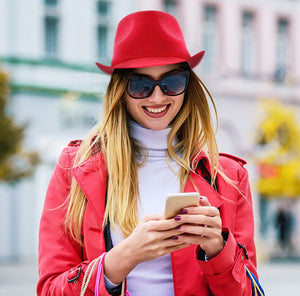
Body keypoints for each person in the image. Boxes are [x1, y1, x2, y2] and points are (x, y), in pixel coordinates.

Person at [37, 10, 262, 296]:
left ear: (188, 86)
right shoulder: (76, 167)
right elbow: (50, 289)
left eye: (172, 82)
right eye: (140, 85)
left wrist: (218, 248)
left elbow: (250, 292)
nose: (157, 97)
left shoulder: (229, 177)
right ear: (120, 89)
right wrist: (123, 258)